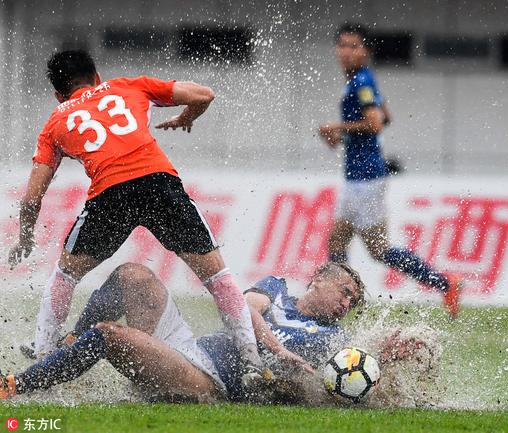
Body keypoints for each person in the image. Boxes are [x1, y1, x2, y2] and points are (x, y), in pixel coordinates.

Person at [6, 50, 261, 375]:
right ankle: (253, 364)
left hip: (110, 193)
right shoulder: (128, 86)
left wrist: (25, 237)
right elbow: (204, 94)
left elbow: (31, 200)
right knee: (218, 278)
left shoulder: (55, 123)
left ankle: (44, 360)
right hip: (159, 183)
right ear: (97, 77)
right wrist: (187, 117)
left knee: (65, 276)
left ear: (58, 95)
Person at [0, 262, 377, 403]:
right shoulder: (276, 287)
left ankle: (13, 386)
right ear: (318, 279)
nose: (347, 304)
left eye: (353, 301)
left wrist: (390, 353)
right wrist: (277, 349)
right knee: (133, 275)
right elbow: (242, 307)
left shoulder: (333, 341)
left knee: (107, 335)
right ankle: (63, 348)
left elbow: (328, 385)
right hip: (189, 348)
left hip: (208, 379)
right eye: (345, 291)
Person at [318, 23, 461, 319]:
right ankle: (342, 301)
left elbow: (375, 123)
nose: (346, 51)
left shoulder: (361, 83)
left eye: (353, 46)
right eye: (342, 45)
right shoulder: (362, 80)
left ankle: (445, 283)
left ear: (366, 51)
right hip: (362, 176)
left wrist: (337, 128)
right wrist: (347, 133)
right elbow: (386, 116)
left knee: (375, 248)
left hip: (366, 178)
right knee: (342, 241)